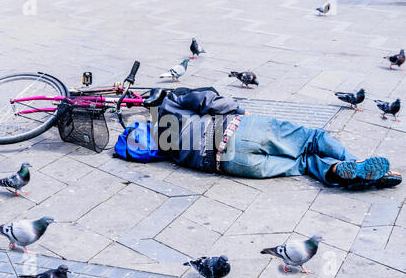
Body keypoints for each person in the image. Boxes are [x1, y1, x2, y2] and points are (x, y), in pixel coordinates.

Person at [154, 87, 402, 189]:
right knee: (311, 139)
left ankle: (339, 171)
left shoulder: (164, 145)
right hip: (237, 130)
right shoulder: (171, 101)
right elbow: (210, 101)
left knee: (303, 163)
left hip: (227, 163)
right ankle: (357, 165)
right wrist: (240, 111)